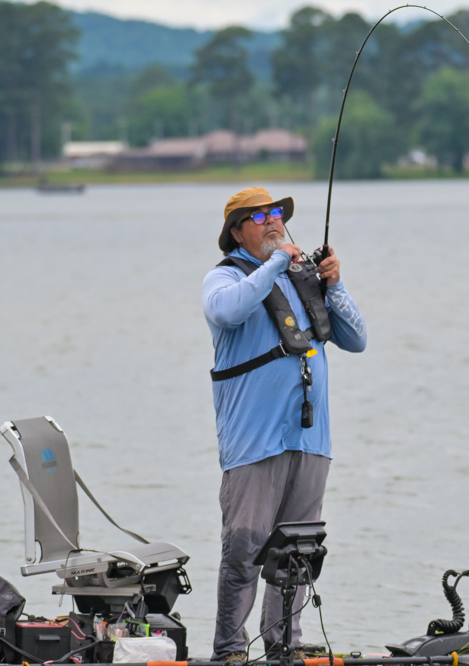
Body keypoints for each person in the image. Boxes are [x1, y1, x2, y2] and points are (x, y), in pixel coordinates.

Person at [202, 187, 367, 662]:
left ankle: (284, 645)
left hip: (311, 439)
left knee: (297, 552)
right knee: (244, 545)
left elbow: (357, 339)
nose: (273, 221)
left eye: (276, 213)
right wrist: (277, 263)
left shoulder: (302, 277)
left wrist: (334, 284)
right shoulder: (223, 278)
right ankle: (230, 650)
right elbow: (228, 311)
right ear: (237, 232)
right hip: (254, 441)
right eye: (259, 218)